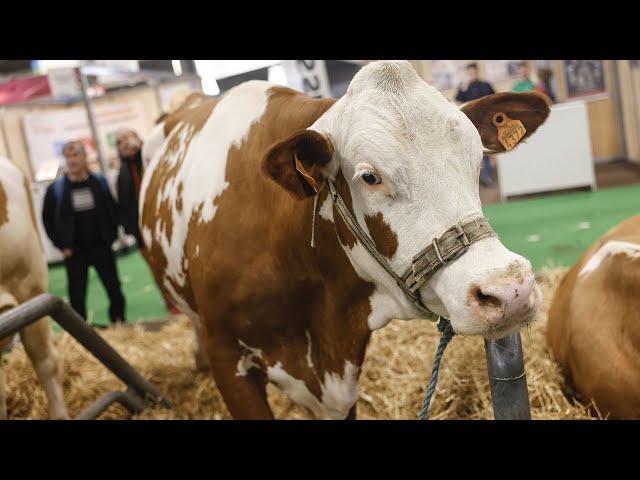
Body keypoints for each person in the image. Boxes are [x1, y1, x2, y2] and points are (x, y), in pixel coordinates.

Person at [42, 141, 126, 325]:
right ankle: (81, 331)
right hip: (74, 252)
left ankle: (119, 322)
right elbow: (47, 220)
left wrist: (110, 237)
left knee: (115, 289)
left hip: (101, 247)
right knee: (77, 295)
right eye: (68, 157)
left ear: (84, 157)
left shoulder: (99, 182)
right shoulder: (55, 190)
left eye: (75, 155)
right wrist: (61, 245)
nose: (71, 161)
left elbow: (112, 208)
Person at [114, 127, 180, 315]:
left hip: (168, 230)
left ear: (139, 138)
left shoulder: (155, 160)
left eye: (128, 137)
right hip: (142, 235)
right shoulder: (122, 174)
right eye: (119, 142)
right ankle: (172, 307)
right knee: (158, 273)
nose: (125, 143)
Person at [455, 63, 496, 186]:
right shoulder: (464, 87)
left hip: (485, 122)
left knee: (485, 147)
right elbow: (458, 99)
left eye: (473, 72)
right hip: (470, 123)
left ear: (477, 72)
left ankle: (485, 176)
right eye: (469, 72)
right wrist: (464, 88)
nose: (471, 74)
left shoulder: (485, 85)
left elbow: (494, 97)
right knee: (471, 149)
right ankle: (474, 179)